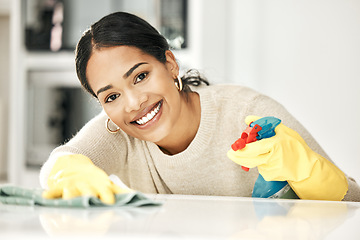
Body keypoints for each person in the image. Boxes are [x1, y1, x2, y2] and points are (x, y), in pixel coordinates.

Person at [40, 12, 360, 204]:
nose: (134, 103)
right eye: (111, 97)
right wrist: (64, 172)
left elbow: (354, 206)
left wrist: (309, 174)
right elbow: (62, 162)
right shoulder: (118, 130)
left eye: (140, 76)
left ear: (169, 64)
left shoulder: (246, 112)